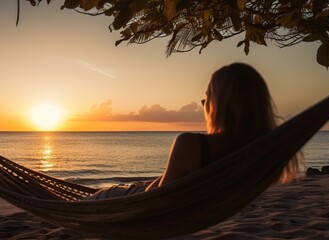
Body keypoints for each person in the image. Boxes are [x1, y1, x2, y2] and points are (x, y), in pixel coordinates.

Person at [86, 63, 300, 200]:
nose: (204, 104)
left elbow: (156, 199)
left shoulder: (190, 144)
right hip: (162, 195)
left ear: (220, 103)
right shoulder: (263, 150)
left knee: (95, 198)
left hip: (135, 200)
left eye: (207, 98)